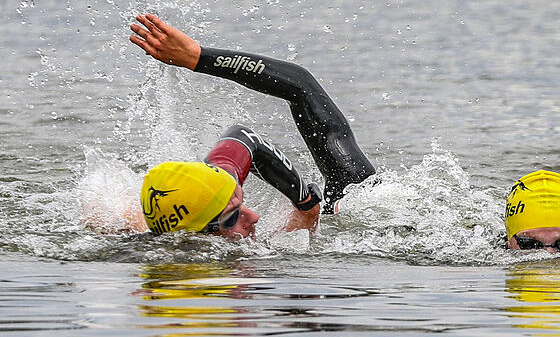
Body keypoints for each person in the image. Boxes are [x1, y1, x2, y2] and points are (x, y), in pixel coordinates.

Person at [128, 13, 376, 239]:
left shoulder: (359, 203)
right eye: (233, 216)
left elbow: (299, 88)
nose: (254, 217)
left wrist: (307, 205)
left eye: (239, 201)